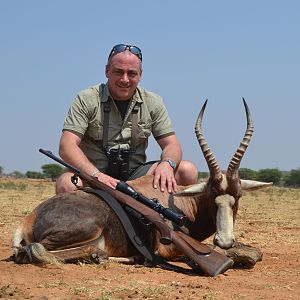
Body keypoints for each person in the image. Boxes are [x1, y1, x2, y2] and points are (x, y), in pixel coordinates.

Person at [56, 44, 198, 194]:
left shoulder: (153, 102)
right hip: (93, 176)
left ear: (140, 75)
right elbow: (67, 146)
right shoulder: (86, 98)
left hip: (136, 177)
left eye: (131, 73)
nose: (125, 79)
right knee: (67, 183)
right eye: (118, 72)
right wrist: (96, 175)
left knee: (186, 171)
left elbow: (172, 145)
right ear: (107, 71)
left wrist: (167, 164)